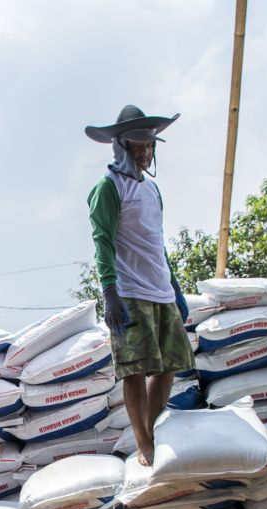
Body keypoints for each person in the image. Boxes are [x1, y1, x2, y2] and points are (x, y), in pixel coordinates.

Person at [85, 104, 195, 466]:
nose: (145, 152)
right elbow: (102, 240)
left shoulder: (152, 190)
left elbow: (156, 242)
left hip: (160, 290)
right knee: (134, 370)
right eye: (138, 146)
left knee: (169, 366)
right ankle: (145, 443)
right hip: (130, 292)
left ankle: (150, 431)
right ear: (120, 145)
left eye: (150, 146)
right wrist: (110, 293)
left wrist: (176, 289)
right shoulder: (109, 188)